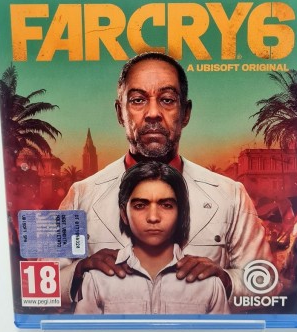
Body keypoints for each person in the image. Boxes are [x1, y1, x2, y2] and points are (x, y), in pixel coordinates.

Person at [59, 51, 273, 308]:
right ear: (120, 113)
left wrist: (225, 280)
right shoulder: (81, 195)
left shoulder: (230, 195)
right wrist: (79, 270)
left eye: (167, 100)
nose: (153, 113)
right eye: (138, 100)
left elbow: (267, 287)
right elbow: (41, 284)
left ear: (185, 113)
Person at [75, 162, 230, 314]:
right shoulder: (96, 280)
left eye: (167, 205)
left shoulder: (210, 283)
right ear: (124, 215)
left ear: (180, 213)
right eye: (140, 206)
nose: (153, 217)